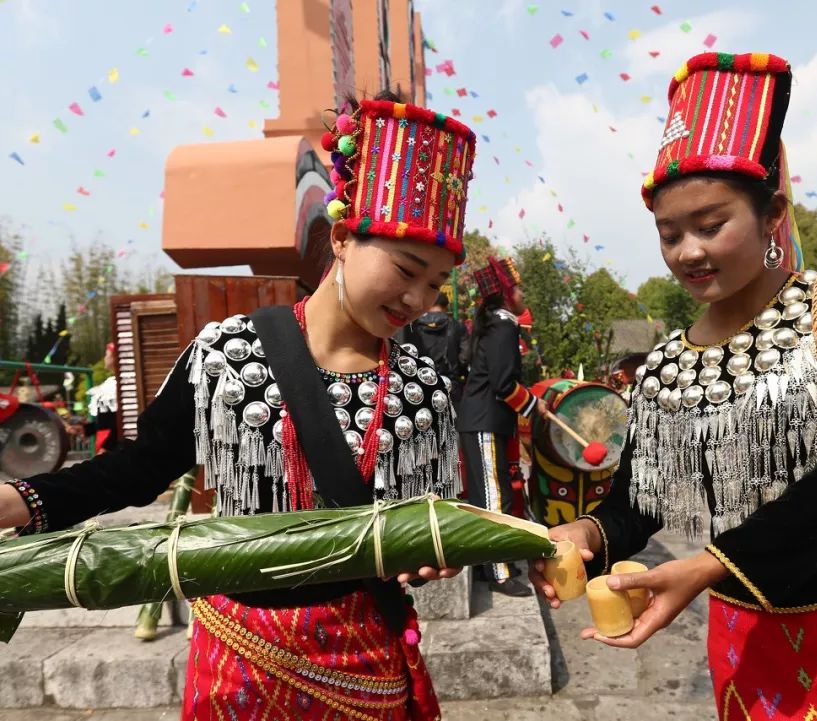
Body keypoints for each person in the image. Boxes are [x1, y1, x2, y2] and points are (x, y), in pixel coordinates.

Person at [0, 91, 478, 721]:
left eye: (436, 284)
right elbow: (138, 470)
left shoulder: (424, 386)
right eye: (407, 268)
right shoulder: (228, 354)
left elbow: (428, 522)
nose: (418, 298)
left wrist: (430, 558)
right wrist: (23, 500)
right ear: (341, 237)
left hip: (367, 663)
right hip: (239, 661)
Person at [529, 52, 817, 719]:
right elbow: (641, 504)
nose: (688, 253)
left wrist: (709, 565)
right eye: (669, 234)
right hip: (745, 643)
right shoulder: (666, 365)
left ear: (771, 216)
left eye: (710, 225)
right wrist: (585, 535)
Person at [457, 255, 547, 596]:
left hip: (481, 419)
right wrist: (535, 406)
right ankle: (498, 572)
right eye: (519, 287)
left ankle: (485, 565)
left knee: (485, 496)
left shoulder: (494, 323)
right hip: (484, 420)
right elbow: (504, 385)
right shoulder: (504, 326)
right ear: (506, 293)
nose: (523, 292)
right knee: (495, 497)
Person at [397, 290, 468, 404]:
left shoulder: (414, 326)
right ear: (446, 306)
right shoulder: (457, 326)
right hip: (451, 384)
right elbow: (465, 356)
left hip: (420, 384)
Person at [84, 341, 119, 454]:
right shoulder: (112, 384)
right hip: (108, 444)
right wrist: (85, 429)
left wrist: (107, 447)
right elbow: (107, 421)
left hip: (113, 447)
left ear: (114, 358)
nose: (104, 358)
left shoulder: (119, 386)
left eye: (106, 355)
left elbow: (118, 422)